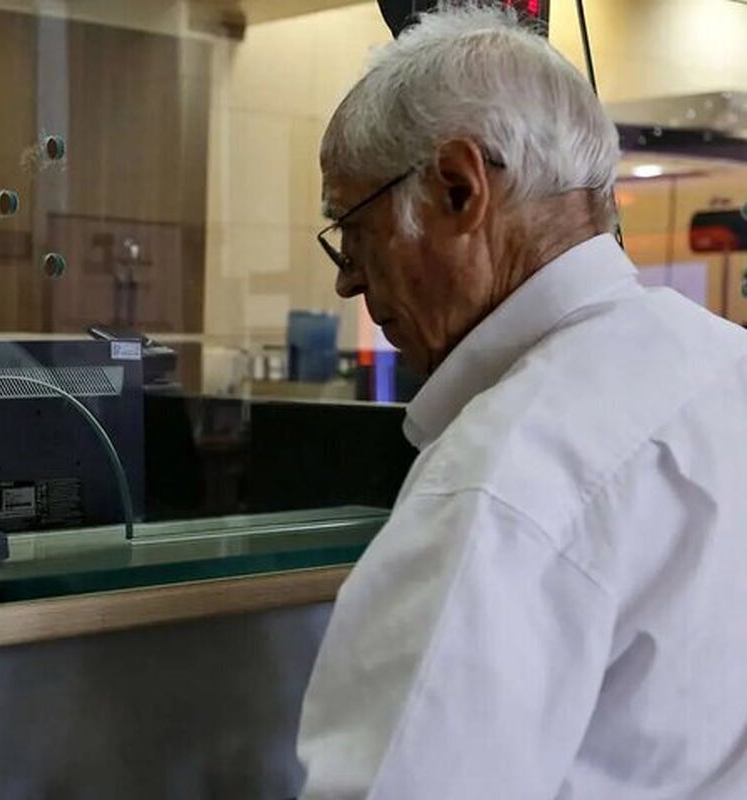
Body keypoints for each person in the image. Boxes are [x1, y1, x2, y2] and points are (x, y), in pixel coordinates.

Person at [297, 6, 747, 798]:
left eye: (354, 229)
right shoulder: (724, 369)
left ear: (458, 188)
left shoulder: (500, 485)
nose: (347, 280)